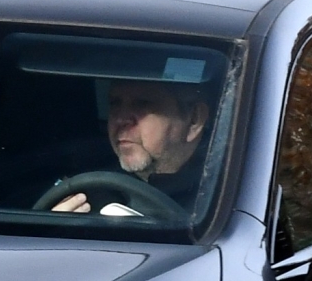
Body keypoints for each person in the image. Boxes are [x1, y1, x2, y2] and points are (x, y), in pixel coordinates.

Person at [50, 79, 213, 215]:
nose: (121, 120)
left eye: (143, 104)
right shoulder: (90, 184)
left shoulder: (222, 202)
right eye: (115, 103)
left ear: (194, 120)